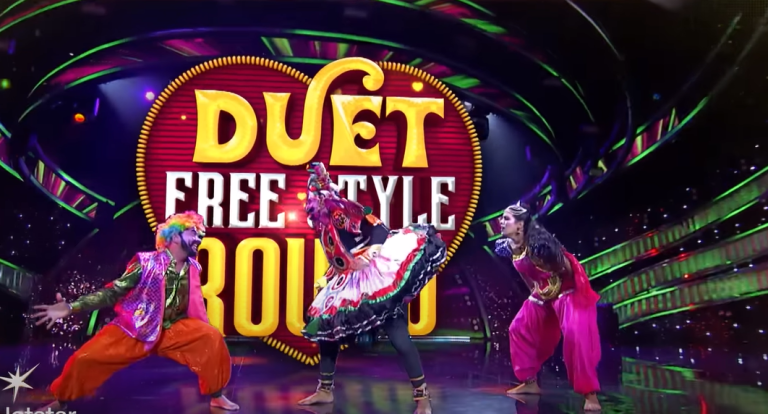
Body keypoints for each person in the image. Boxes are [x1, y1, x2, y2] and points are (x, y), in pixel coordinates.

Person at [31, 211, 239, 411]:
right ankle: (61, 400)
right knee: (84, 358)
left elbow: (193, 303)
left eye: (200, 234)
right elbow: (113, 292)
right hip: (135, 327)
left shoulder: (193, 267)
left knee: (211, 338)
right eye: (194, 233)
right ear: (175, 236)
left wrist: (198, 326)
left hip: (172, 329)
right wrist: (72, 307)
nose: (199, 238)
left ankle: (216, 395)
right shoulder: (146, 262)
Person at [297, 162, 446, 414]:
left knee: (398, 335)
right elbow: (340, 254)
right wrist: (332, 274)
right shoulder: (323, 224)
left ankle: (423, 399)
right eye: (311, 197)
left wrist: (372, 252)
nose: (312, 203)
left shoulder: (346, 209)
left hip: (376, 275)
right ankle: (325, 390)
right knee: (327, 329)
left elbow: (379, 227)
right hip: (349, 278)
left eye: (317, 196)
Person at [494, 202, 602, 411]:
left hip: (567, 289)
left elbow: (567, 269)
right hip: (543, 291)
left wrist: (558, 292)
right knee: (518, 328)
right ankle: (530, 383)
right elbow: (525, 274)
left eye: (506, 218)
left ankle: (590, 395)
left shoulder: (541, 244)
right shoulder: (511, 247)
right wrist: (536, 295)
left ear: (520, 225)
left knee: (574, 334)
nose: (501, 221)